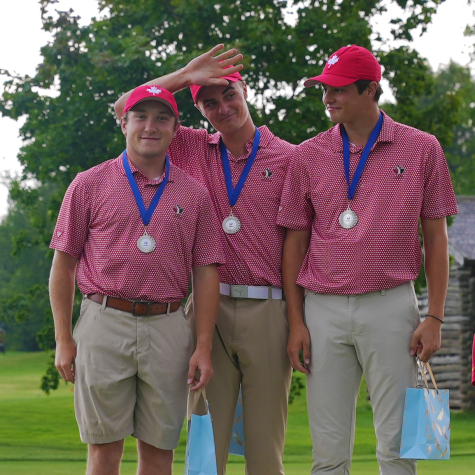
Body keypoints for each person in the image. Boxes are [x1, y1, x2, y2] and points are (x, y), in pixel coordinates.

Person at [277, 45, 458, 475]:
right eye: (323, 89)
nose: (327, 98)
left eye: (337, 89)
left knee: (397, 448)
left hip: (392, 305)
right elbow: (294, 244)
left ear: (370, 89)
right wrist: (297, 321)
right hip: (322, 309)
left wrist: (434, 317)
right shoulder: (307, 155)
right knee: (328, 452)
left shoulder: (422, 149)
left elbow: (436, 240)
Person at [114, 45, 295, 475]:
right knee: (203, 449)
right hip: (206, 313)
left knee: (264, 447)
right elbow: (127, 107)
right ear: (198, 110)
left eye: (228, 95)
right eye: (208, 102)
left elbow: (298, 245)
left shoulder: (291, 158)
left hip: (269, 309)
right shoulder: (192, 148)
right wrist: (185, 74)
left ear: (244, 90)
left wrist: (298, 318)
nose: (222, 107)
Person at [50, 85, 224, 475]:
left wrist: (203, 346)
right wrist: (63, 339)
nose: (151, 126)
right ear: (124, 123)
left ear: (176, 128)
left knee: (160, 450)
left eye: (162, 117)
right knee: (104, 450)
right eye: (141, 116)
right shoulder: (88, 184)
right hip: (103, 322)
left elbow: (206, 272)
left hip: (168, 326)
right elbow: (63, 267)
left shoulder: (195, 194)